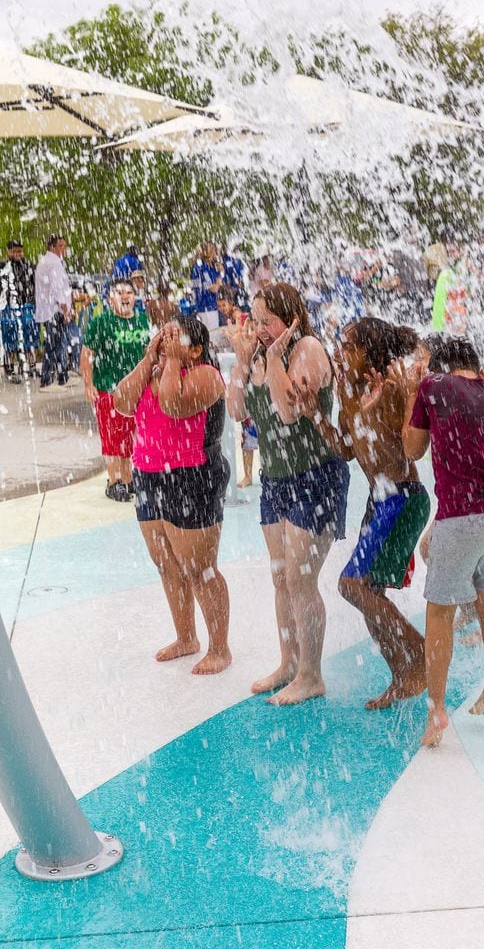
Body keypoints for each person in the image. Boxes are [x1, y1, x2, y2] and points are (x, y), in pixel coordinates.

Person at [290, 317, 431, 709]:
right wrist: (313, 414)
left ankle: (419, 653)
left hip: (402, 497)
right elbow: (347, 449)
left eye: (348, 347)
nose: (340, 352)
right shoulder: (348, 392)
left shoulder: (391, 388)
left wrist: (404, 398)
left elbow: (410, 449)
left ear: (370, 354)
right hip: (380, 499)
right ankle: (403, 673)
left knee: (352, 586)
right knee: (369, 593)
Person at [227, 282, 350, 705]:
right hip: (276, 479)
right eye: (255, 321)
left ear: (292, 317)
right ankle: (288, 663)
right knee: (281, 578)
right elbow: (237, 410)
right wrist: (242, 363)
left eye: (269, 321)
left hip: (315, 476)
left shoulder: (309, 350)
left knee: (300, 579)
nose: (261, 329)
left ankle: (312, 675)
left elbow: (285, 410)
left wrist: (275, 358)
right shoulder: (260, 355)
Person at [403, 338, 484, 746]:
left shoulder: (432, 386)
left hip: (463, 516)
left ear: (439, 367)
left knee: (440, 612)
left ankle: (436, 709)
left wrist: (410, 394)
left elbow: (412, 448)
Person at [113, 316, 231, 675]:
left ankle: (220, 648)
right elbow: (122, 401)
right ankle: (186, 637)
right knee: (167, 564)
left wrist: (175, 360)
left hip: (193, 476)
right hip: (149, 475)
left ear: (195, 348)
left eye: (174, 337)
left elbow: (172, 404)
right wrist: (150, 358)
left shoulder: (207, 374)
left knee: (200, 568)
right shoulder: (154, 370)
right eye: (163, 334)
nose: (165, 340)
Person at [81, 279, 150, 502]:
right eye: (119, 292)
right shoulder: (102, 322)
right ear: (110, 298)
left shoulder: (142, 320)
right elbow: (87, 353)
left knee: (131, 436)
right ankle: (114, 481)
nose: (125, 296)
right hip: (108, 388)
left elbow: (149, 353)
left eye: (129, 292)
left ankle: (129, 480)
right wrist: (89, 384)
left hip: (135, 390)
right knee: (112, 437)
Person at [35, 235, 77, 392]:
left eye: (64, 246)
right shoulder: (53, 263)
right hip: (55, 310)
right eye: (60, 246)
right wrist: (66, 310)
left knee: (58, 344)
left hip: (50, 310)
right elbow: (57, 289)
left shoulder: (47, 261)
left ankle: (62, 375)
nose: (64, 250)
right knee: (54, 345)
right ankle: (47, 379)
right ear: (52, 247)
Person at [0, 240, 37, 382]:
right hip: (8, 308)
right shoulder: (3, 267)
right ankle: (10, 370)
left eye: (20, 251)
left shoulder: (28, 266)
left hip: (26, 306)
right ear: (8, 252)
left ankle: (29, 366)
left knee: (28, 336)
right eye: (14, 251)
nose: (17, 254)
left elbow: (33, 285)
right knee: (10, 338)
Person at [191, 243, 223, 335]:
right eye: (212, 250)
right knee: (212, 335)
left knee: (207, 336)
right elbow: (215, 288)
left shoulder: (204, 267)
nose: (214, 252)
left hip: (205, 307)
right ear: (205, 252)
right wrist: (220, 273)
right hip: (207, 308)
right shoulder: (203, 268)